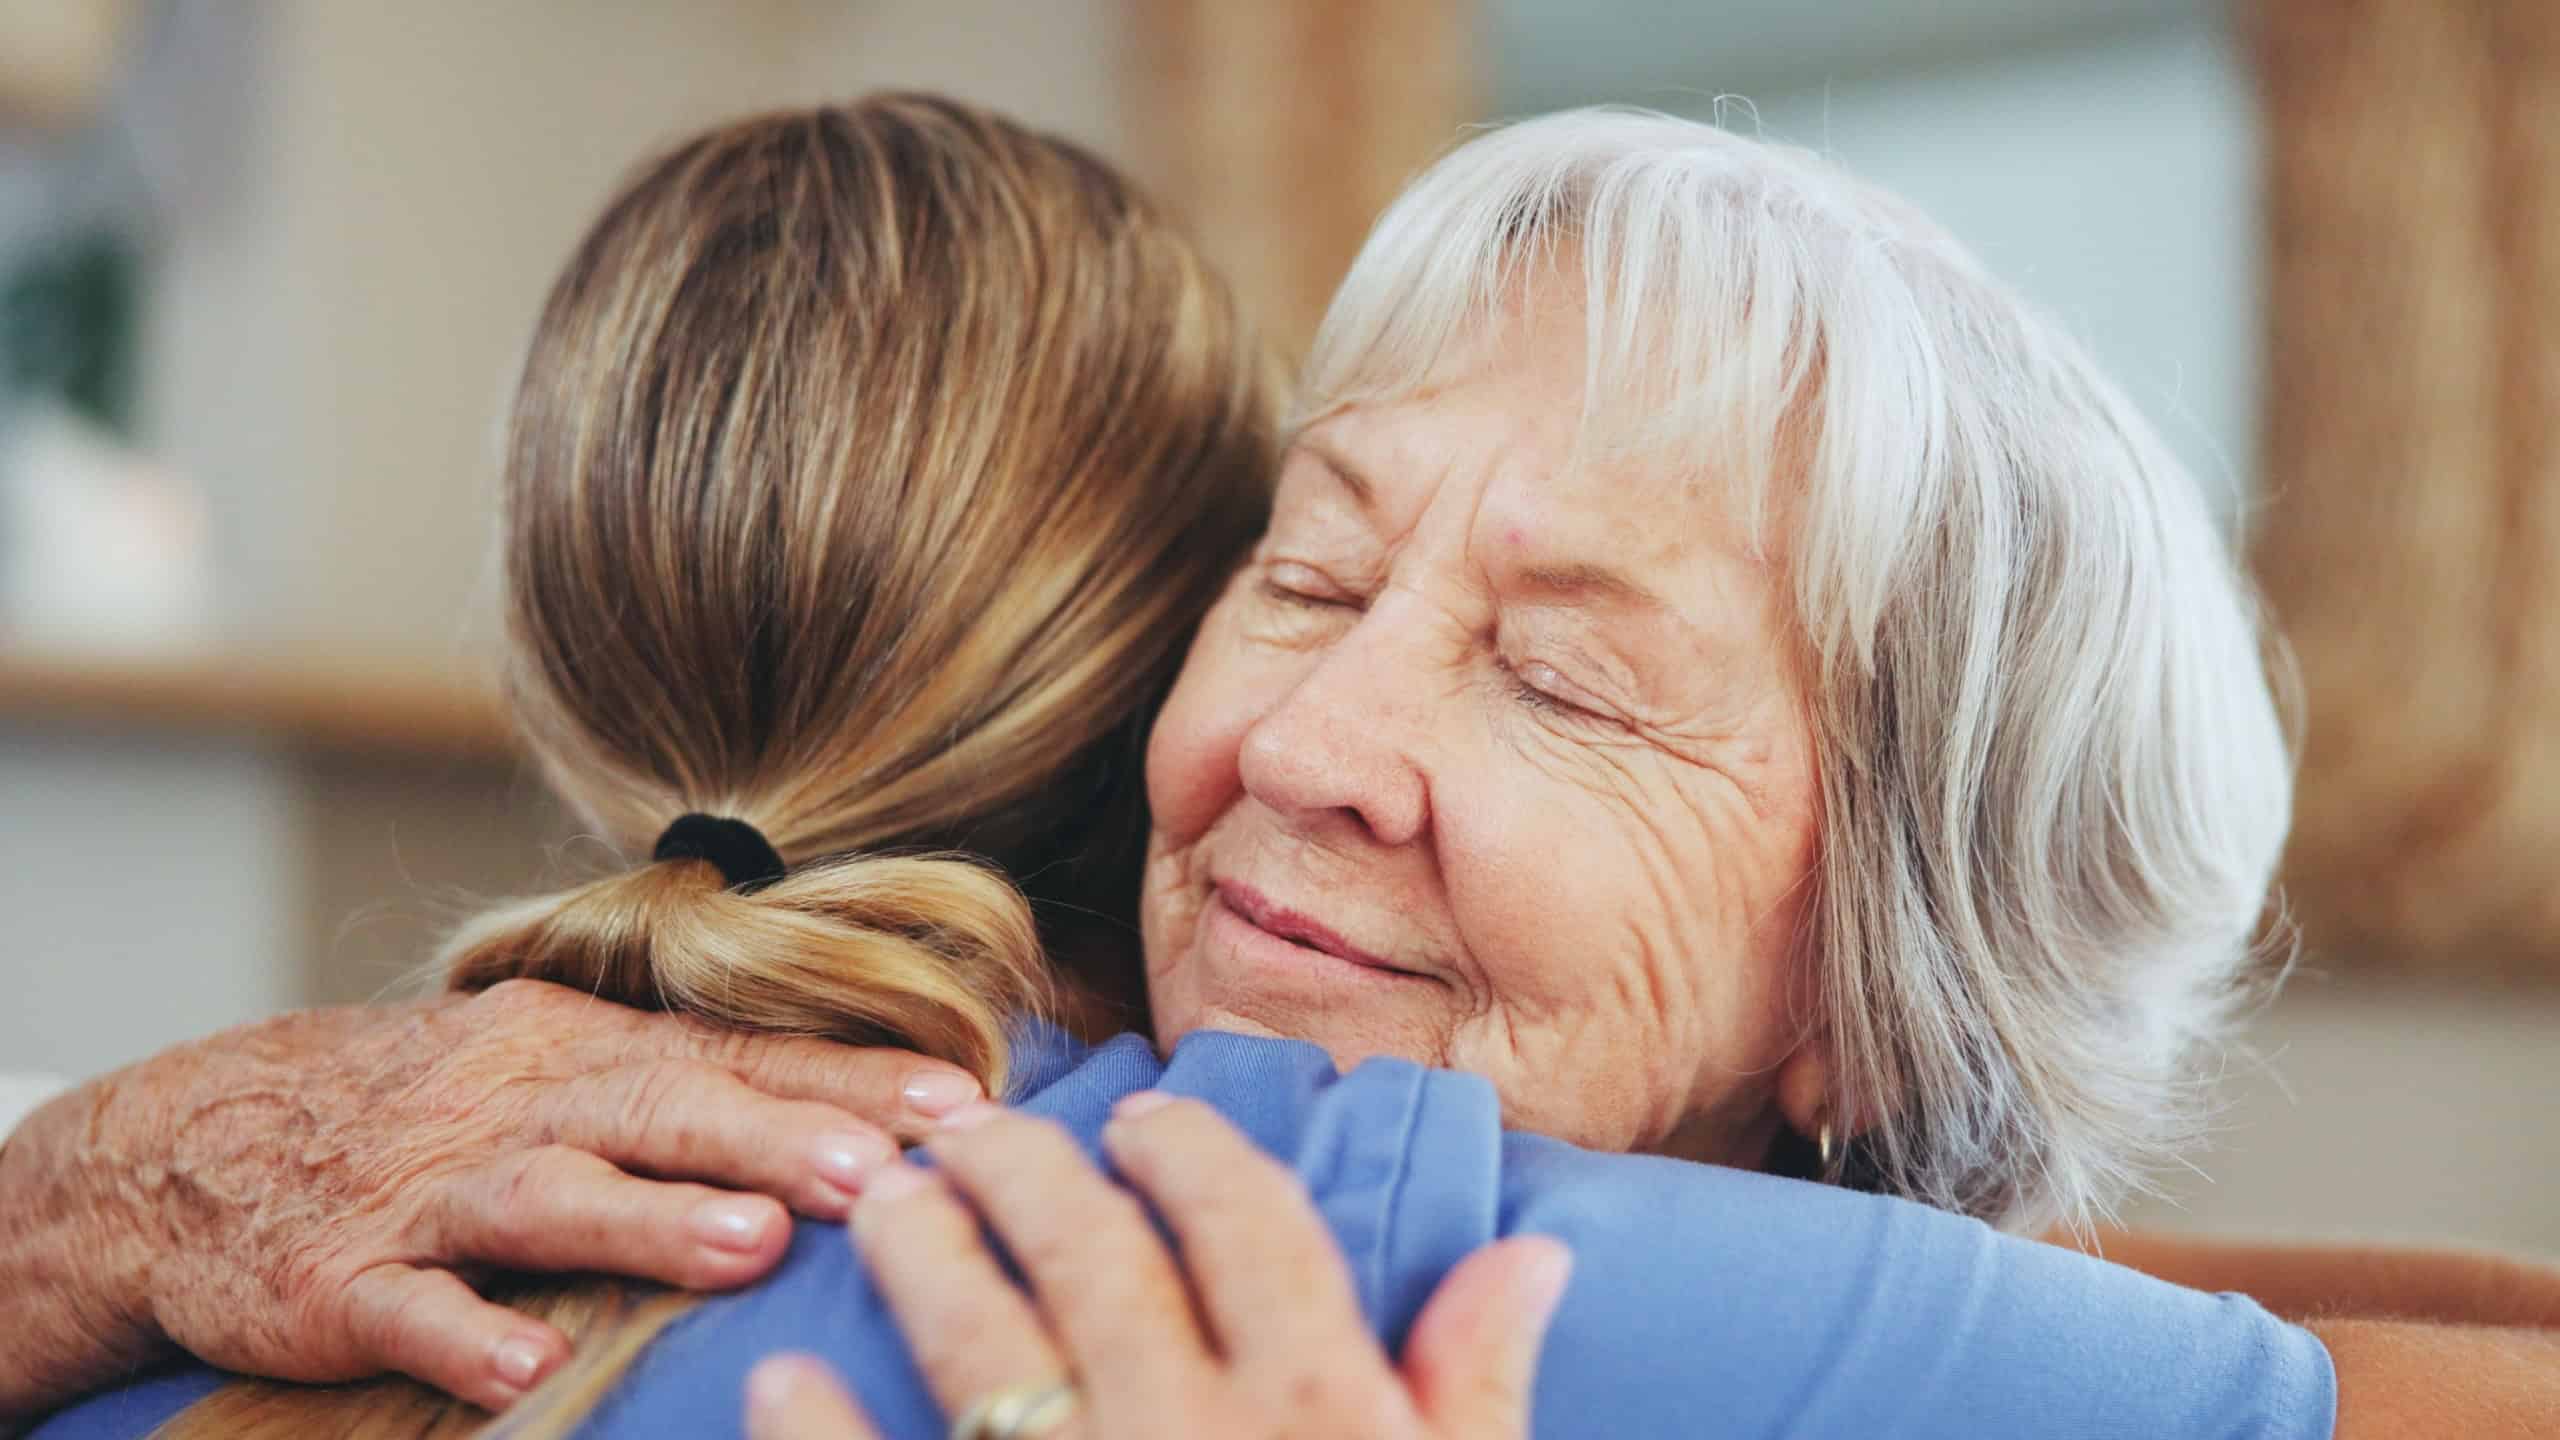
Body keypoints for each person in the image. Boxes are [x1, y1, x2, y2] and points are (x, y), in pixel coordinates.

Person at [10, 98, 2558, 1438]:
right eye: (1311, 578)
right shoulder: (1345, 1241)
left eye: (1560, 680)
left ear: (1883, 993)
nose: (1291, 745)